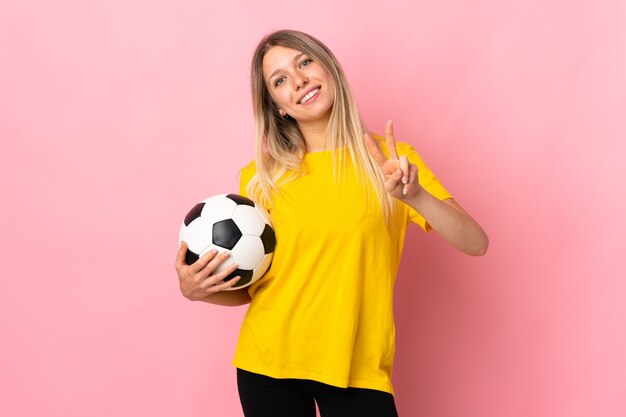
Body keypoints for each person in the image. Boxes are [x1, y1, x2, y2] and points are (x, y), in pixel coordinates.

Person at [175, 29, 489, 417]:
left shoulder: (394, 163)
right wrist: (197, 290)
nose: (299, 80)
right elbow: (256, 288)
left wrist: (416, 197)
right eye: (280, 80)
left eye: (304, 62)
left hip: (358, 371)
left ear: (329, 68)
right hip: (268, 365)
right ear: (278, 107)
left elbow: (476, 242)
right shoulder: (261, 179)